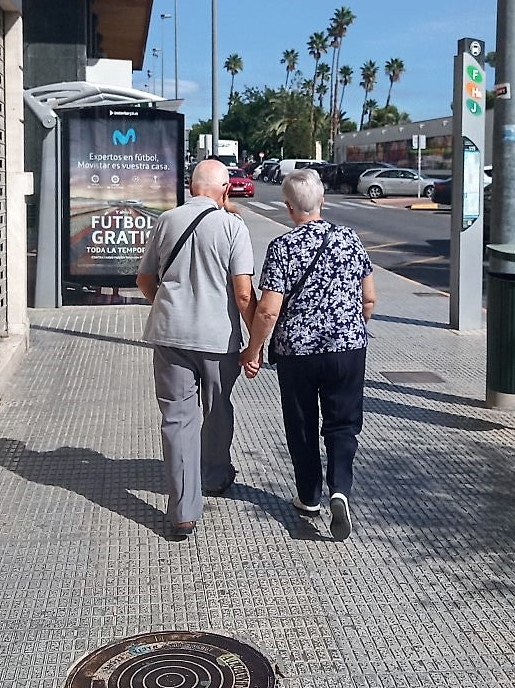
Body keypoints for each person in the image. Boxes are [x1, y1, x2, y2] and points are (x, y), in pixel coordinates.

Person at [241, 168, 376, 541]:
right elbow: (370, 298)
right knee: (343, 423)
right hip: (347, 348)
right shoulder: (351, 240)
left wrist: (253, 351)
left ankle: (308, 496)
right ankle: (340, 490)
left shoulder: (282, 248)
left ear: (288, 207)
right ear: (322, 201)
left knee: (302, 425)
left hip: (296, 352)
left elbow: (268, 310)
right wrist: (353, 327)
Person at [137, 159, 257, 539]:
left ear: (191, 188)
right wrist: (256, 341)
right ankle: (216, 476)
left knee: (177, 419)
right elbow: (242, 292)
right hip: (218, 339)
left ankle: (183, 511)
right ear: (225, 189)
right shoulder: (233, 227)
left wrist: (166, 306)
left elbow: (144, 279)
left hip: (171, 334)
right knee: (217, 407)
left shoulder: (167, 221)